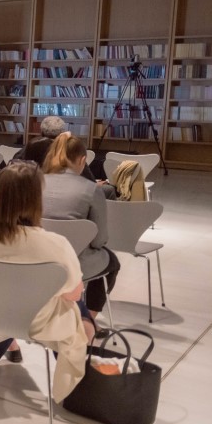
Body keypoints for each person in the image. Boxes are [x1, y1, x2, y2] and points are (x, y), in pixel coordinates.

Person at [0, 161, 87, 401]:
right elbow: (74, 294)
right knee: (79, 309)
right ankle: (79, 388)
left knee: (6, 301)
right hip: (35, 321)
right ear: (37, 200)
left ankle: (3, 342)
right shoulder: (55, 245)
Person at [41, 132, 120, 328]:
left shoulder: (36, 182)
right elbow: (99, 240)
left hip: (39, 257)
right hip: (76, 260)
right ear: (83, 160)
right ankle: (87, 321)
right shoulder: (92, 189)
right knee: (112, 262)